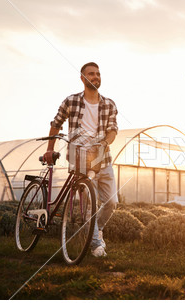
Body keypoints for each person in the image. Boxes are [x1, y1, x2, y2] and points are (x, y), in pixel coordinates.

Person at [44, 62, 118, 257]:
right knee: (89, 206)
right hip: (79, 160)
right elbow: (56, 124)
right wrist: (49, 150)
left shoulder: (109, 104)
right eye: (91, 74)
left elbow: (112, 131)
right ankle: (96, 246)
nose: (96, 77)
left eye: (98, 74)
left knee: (111, 202)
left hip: (102, 158)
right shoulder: (71, 101)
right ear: (82, 78)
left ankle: (96, 228)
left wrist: (103, 144)